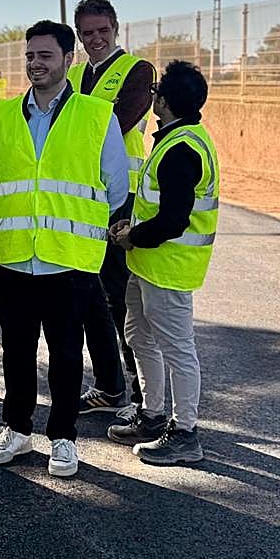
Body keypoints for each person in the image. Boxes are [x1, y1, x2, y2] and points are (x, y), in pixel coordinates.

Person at [0, 21, 128, 478]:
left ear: (68, 59)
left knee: (66, 353)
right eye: (30, 56)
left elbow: (115, 189)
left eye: (45, 55)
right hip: (12, 256)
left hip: (68, 259)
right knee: (16, 350)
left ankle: (63, 437)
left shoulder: (97, 116)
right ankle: (16, 428)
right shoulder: (1, 115)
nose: (35, 64)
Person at [107, 61, 218, 465]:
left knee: (177, 348)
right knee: (139, 335)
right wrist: (132, 226)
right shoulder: (178, 138)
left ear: (163, 102)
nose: (152, 97)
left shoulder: (180, 150)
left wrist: (131, 237)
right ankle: (151, 415)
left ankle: (185, 433)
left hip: (168, 266)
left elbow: (173, 220)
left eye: (156, 93)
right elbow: (158, 207)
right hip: (148, 263)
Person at [68, 0, 156, 415]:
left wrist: (71, 130)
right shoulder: (73, 73)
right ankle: (108, 387)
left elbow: (115, 125)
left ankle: (141, 397)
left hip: (122, 198)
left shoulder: (137, 71)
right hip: (79, 197)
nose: (96, 39)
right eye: (87, 33)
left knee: (121, 298)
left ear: (116, 29)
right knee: (89, 295)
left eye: (102, 30)